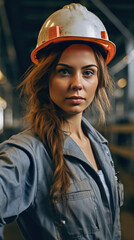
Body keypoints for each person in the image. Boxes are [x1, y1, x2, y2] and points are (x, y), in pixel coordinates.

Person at [0, 3, 124, 240]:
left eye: (88, 72)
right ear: (46, 77)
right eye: (64, 71)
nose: (77, 83)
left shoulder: (99, 145)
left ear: (99, 80)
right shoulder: (28, 153)